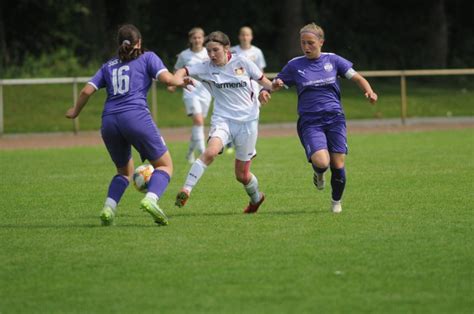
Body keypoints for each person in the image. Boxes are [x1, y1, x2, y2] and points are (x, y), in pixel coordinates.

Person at [65, 24, 185, 226]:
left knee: (124, 172)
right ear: (139, 42)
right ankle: (151, 199)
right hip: (135, 117)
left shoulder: (108, 65)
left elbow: (86, 91)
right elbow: (168, 80)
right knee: (165, 165)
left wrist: (75, 111)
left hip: (109, 122)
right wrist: (181, 78)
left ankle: (109, 209)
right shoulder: (148, 57)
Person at [259, 23, 378, 213]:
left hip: (335, 118)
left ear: (321, 42)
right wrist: (266, 91)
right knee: (322, 163)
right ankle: (318, 172)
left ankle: (335, 203)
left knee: (338, 164)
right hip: (310, 121)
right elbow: (274, 84)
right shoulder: (294, 65)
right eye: (303, 43)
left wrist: (369, 91)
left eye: (311, 43)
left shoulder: (333, 60)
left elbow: (357, 78)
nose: (306, 47)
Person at [173, 31, 281, 213]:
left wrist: (270, 89)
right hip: (222, 119)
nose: (212, 55)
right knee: (211, 151)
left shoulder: (243, 62)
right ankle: (186, 189)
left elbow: (267, 83)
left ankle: (256, 199)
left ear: (226, 48)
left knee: (242, 175)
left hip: (248, 122)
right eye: (208, 51)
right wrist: (177, 80)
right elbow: (183, 69)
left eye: (215, 50)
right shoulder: (206, 66)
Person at [168, 27, 212, 164]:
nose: (197, 40)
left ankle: (189, 153)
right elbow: (176, 71)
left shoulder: (208, 52)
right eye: (194, 37)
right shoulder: (184, 55)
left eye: (199, 37)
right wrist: (173, 84)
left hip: (206, 91)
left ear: (203, 39)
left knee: (198, 124)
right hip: (190, 91)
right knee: (199, 121)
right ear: (190, 39)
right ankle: (202, 152)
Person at [225, 26, 267, 155]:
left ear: (251, 36)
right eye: (242, 35)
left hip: (254, 87)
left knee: (253, 113)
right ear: (239, 36)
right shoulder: (233, 51)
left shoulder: (257, 52)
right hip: (238, 88)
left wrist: (262, 88)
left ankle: (249, 144)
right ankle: (230, 141)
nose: (245, 37)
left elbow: (260, 72)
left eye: (247, 35)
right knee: (235, 112)